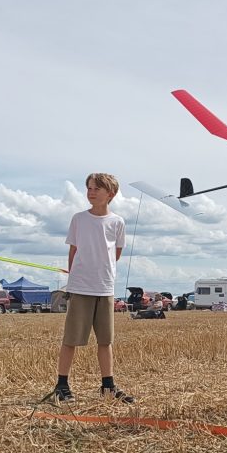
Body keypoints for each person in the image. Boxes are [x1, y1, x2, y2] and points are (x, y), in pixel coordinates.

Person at [51, 173, 134, 404]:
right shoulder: (79, 219)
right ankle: (61, 384)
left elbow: (115, 254)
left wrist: (101, 273)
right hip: (81, 287)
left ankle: (108, 385)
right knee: (71, 339)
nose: (91, 191)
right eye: (89, 187)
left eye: (97, 188)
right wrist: (75, 278)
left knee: (106, 340)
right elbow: (73, 251)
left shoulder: (117, 222)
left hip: (105, 287)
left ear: (111, 194)